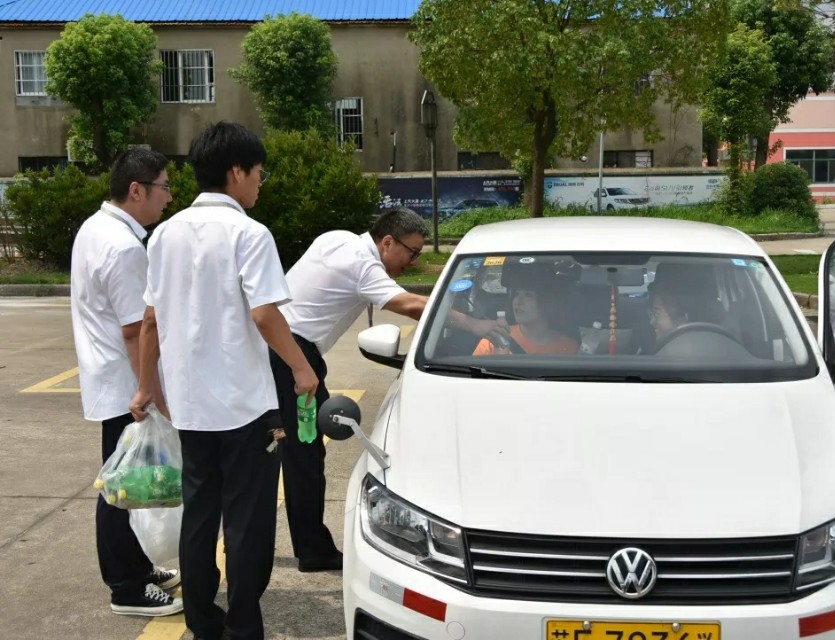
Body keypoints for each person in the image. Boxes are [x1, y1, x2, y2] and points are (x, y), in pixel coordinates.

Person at [129, 121, 320, 639]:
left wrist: (147, 386)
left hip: (190, 406)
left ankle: (202, 621)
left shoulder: (163, 234)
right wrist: (302, 369)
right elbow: (264, 315)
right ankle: (244, 623)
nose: (260, 183)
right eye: (257, 173)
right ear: (236, 171)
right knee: (247, 519)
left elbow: (149, 321)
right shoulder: (249, 234)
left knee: (200, 513)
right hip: (244, 407)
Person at [271, 207, 501, 571]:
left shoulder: (338, 239)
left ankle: (288, 544)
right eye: (411, 253)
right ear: (388, 241)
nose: (411, 263)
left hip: (276, 348)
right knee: (303, 456)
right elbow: (410, 305)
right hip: (290, 357)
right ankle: (311, 550)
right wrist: (477, 325)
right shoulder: (362, 264)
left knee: (280, 451)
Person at [70, 148, 182, 617]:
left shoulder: (95, 229)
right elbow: (137, 330)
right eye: (163, 187)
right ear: (136, 190)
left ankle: (136, 566)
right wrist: (152, 392)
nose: (169, 198)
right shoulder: (122, 246)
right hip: (125, 386)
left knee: (129, 483)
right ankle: (126, 587)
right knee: (120, 490)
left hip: (110, 379)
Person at [472, 279, 579, 355]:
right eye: (516, 294)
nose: (518, 301)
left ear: (546, 303)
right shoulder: (496, 339)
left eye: (528, 295)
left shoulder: (569, 348)